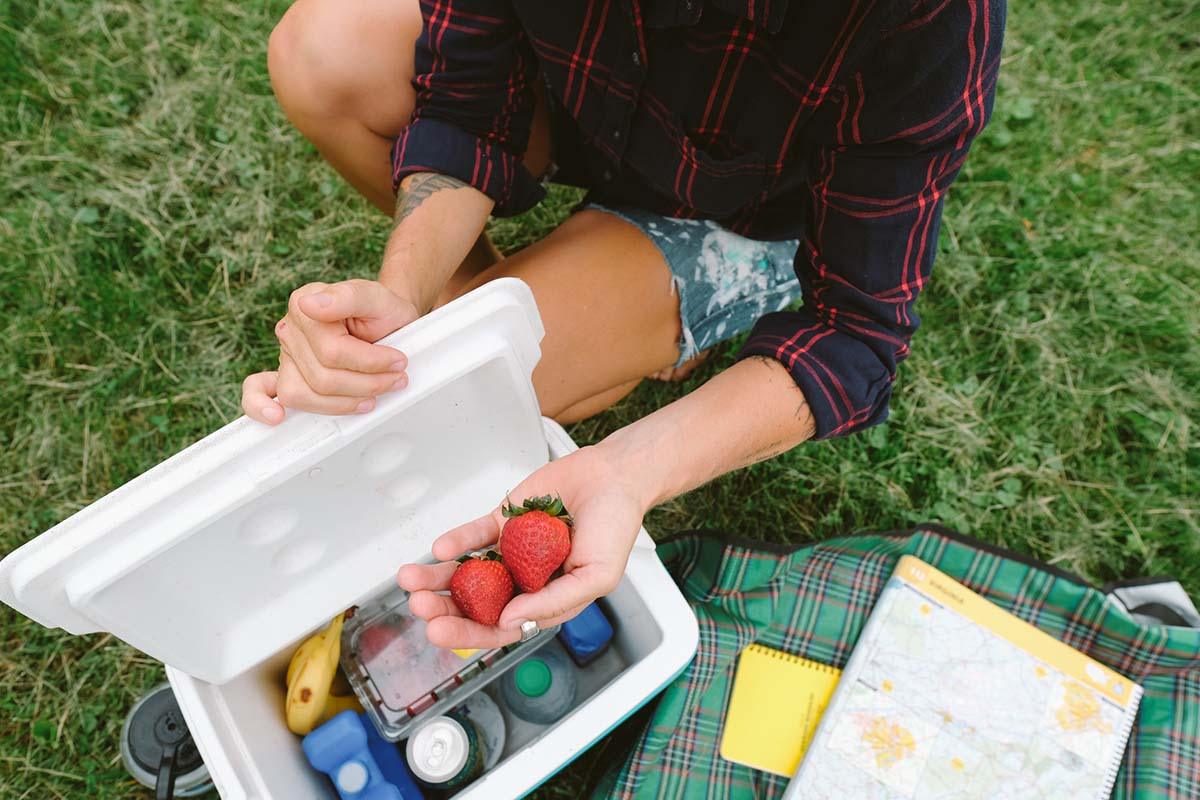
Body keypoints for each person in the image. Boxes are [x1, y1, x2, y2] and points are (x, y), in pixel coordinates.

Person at [242, 0, 1005, 648]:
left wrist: (628, 470)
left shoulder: (927, 16)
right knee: (323, 53)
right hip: (584, 101)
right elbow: (468, 103)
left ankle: (671, 294)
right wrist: (405, 300)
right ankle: (485, 299)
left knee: (498, 389)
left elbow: (854, 332)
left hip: (748, 206)